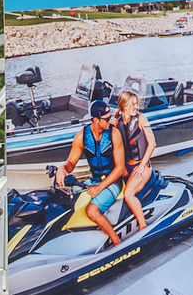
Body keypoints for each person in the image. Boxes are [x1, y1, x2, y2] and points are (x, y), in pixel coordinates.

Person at [53, 99, 128, 247]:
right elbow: (71, 163)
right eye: (106, 119)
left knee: (92, 211)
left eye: (110, 117)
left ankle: (117, 241)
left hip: (113, 181)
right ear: (95, 120)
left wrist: (100, 188)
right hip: (94, 180)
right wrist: (62, 169)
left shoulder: (114, 134)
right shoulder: (81, 136)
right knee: (68, 199)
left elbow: (119, 168)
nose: (110, 121)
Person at [115, 88, 157, 231]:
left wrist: (142, 165)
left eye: (136, 104)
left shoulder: (140, 118)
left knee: (128, 194)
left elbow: (153, 143)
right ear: (124, 105)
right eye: (132, 104)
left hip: (142, 166)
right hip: (127, 166)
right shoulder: (117, 122)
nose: (136, 107)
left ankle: (142, 225)